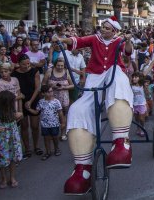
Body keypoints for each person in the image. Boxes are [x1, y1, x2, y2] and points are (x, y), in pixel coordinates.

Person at [53, 16, 134, 195]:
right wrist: (61, 40)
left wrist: (128, 41)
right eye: (103, 27)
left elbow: (127, 52)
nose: (104, 29)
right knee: (77, 109)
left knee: (118, 85)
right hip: (94, 77)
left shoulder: (119, 40)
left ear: (114, 30)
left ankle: (121, 142)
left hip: (114, 73)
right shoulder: (94, 39)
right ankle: (83, 169)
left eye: (107, 27)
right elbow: (78, 41)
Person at [11, 54, 41, 159]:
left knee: (35, 126)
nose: (27, 66)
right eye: (24, 64)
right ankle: (27, 148)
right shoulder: (14, 74)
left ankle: (36, 146)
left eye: (28, 63)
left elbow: (38, 88)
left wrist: (30, 101)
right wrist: (22, 100)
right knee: (24, 126)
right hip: (21, 101)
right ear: (19, 64)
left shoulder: (34, 71)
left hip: (34, 99)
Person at [26, 85, 65, 160]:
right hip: (44, 124)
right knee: (46, 138)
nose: (51, 93)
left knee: (55, 137)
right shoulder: (41, 102)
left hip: (55, 123)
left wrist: (62, 122)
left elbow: (60, 113)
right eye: (48, 92)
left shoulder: (56, 101)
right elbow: (36, 112)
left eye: (51, 91)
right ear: (43, 93)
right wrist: (29, 109)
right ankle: (48, 152)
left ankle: (56, 149)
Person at [42, 58, 74, 140]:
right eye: (58, 65)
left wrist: (64, 87)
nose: (60, 67)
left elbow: (73, 85)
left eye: (62, 66)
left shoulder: (66, 72)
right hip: (51, 99)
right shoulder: (49, 71)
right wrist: (52, 86)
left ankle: (63, 133)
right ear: (55, 65)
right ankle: (53, 133)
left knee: (63, 116)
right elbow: (43, 84)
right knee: (52, 116)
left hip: (64, 99)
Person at [0, 91, 23, 189]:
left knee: (12, 159)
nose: (13, 103)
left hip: (12, 139)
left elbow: (20, 115)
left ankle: (12, 178)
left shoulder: (12, 111)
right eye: (12, 101)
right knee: (2, 161)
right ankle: (3, 178)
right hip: (1, 141)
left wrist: (19, 114)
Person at [131, 72, 147, 137]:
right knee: (137, 118)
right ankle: (138, 128)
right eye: (133, 77)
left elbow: (147, 93)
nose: (134, 78)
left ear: (139, 78)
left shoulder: (142, 86)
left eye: (136, 77)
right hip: (134, 104)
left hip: (142, 104)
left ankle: (142, 128)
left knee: (141, 119)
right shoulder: (131, 86)